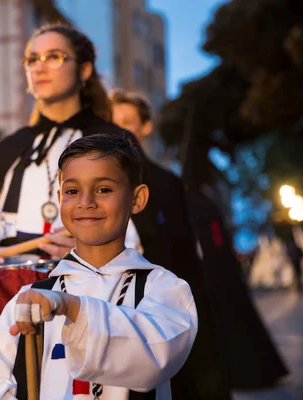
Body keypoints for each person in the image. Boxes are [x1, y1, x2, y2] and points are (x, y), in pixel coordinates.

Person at [0, 133, 198, 399]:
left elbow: (157, 357)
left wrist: (73, 307)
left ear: (137, 199)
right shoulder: (30, 297)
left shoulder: (165, 289)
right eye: (72, 191)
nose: (86, 202)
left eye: (104, 189)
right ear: (59, 198)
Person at [112, 89, 288, 389]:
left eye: (128, 121)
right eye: (114, 123)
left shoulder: (168, 184)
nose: (121, 130)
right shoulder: (107, 183)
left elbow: (183, 260)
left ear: (146, 126)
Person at [0, 24, 136, 270]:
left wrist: (96, 250)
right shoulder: (11, 147)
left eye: (54, 57)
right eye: (32, 60)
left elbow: (137, 230)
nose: (40, 67)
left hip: (85, 290)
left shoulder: (114, 141)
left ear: (84, 69)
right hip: (9, 291)